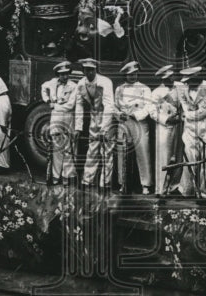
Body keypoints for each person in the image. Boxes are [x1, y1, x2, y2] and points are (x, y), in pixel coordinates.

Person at [175, 66, 206, 202]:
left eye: (191, 80)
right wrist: (189, 114)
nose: (188, 84)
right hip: (189, 128)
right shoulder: (183, 88)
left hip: (205, 126)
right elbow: (184, 105)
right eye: (187, 82)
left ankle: (205, 193)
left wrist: (190, 115)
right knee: (189, 157)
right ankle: (187, 190)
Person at [114, 61, 154, 194]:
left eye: (134, 74)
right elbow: (115, 106)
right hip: (124, 122)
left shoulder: (144, 88)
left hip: (139, 122)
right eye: (129, 74)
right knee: (122, 151)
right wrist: (119, 114)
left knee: (143, 151)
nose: (132, 76)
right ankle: (123, 182)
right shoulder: (119, 89)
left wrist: (135, 114)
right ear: (125, 75)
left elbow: (148, 107)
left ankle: (146, 184)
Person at [75, 58, 115, 188]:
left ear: (95, 70)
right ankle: (87, 180)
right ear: (83, 71)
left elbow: (109, 106)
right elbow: (79, 106)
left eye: (92, 70)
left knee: (107, 151)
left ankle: (105, 182)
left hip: (106, 117)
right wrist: (78, 127)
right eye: (87, 70)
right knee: (92, 149)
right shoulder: (81, 84)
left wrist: (104, 128)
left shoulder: (105, 82)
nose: (90, 73)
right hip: (94, 117)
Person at [41, 61, 78, 184]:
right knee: (57, 146)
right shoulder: (52, 83)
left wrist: (55, 106)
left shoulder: (73, 86)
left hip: (67, 117)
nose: (64, 76)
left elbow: (70, 105)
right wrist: (47, 100)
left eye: (66, 74)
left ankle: (67, 176)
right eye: (62, 74)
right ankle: (56, 176)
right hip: (55, 117)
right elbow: (43, 87)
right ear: (58, 74)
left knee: (68, 146)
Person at [150, 66, 183, 196]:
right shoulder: (157, 92)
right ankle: (161, 189)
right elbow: (152, 111)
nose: (169, 80)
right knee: (164, 157)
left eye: (171, 77)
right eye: (166, 78)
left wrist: (180, 117)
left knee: (179, 156)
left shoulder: (180, 87)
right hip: (164, 127)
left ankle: (174, 186)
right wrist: (166, 119)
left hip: (179, 125)